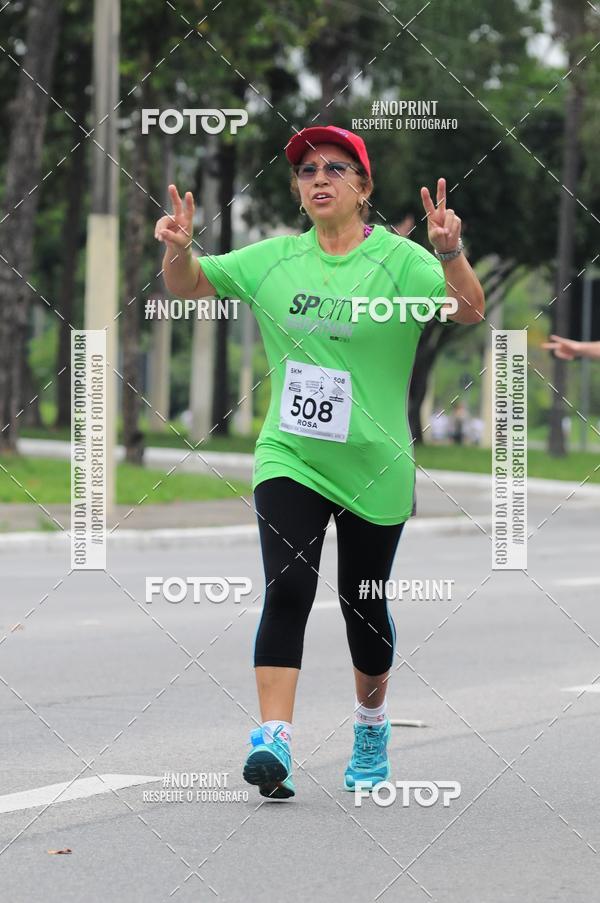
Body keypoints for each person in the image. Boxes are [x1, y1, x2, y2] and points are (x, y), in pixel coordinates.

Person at [155, 125, 485, 801]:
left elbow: (469, 310)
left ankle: (370, 723)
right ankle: (273, 736)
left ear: (363, 188)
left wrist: (449, 253)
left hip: (375, 463)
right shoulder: (274, 260)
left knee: (362, 605)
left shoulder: (401, 262)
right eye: (307, 170)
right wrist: (179, 251)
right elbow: (190, 286)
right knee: (288, 586)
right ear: (298, 189)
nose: (319, 178)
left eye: (336, 168)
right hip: (292, 455)